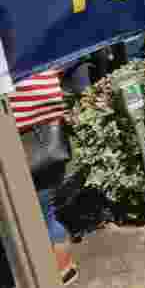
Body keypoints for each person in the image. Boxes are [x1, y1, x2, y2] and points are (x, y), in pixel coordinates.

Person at [10, 69, 78, 285]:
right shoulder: (36, 63)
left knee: (38, 220)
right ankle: (65, 271)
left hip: (27, 150)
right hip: (50, 145)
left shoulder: (9, 76)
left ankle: (54, 275)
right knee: (46, 215)